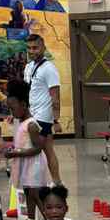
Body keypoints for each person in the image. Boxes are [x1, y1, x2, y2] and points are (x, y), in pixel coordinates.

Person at [4, 79, 50, 220]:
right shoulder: (22, 122)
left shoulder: (31, 124)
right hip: (26, 163)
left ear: (23, 105)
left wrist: (17, 152)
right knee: (28, 191)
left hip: (34, 164)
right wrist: (15, 149)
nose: (12, 113)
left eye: (13, 108)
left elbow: (38, 148)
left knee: (35, 193)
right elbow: (23, 143)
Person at [24, 34, 62, 185]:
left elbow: (55, 97)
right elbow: (28, 92)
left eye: (35, 47)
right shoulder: (29, 67)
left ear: (43, 48)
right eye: (29, 48)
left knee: (35, 152)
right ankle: (57, 182)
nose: (32, 51)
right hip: (32, 115)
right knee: (48, 150)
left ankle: (42, 184)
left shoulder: (49, 69)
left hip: (43, 118)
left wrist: (56, 120)